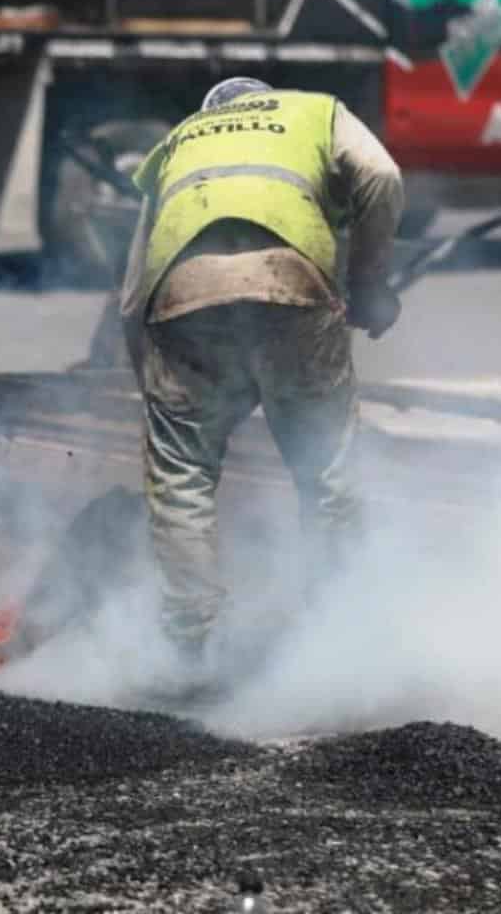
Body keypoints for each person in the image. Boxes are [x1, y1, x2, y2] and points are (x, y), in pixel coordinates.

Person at [117, 76, 403, 661]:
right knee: (326, 471)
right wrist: (369, 288)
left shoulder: (180, 140)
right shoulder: (316, 110)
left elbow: (130, 298)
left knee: (182, 478)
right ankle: (339, 640)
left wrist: (154, 390)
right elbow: (382, 176)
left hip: (181, 300)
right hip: (291, 289)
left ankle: (189, 650)